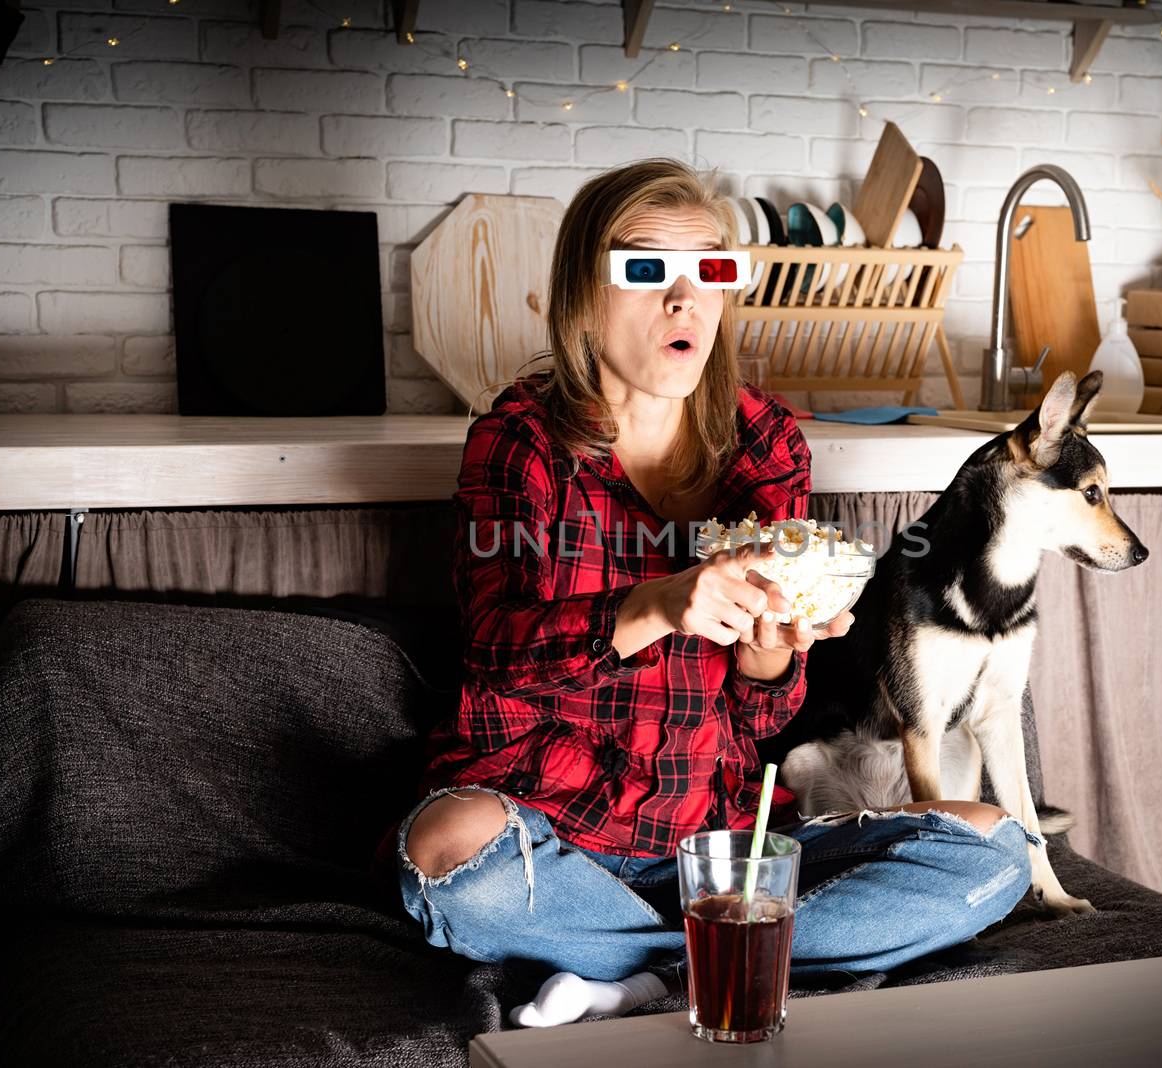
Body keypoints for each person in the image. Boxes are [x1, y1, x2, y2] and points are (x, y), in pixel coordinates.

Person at [384, 158, 1042, 1028]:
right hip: (545, 830)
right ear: (585, 291)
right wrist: (660, 603)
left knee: (993, 849)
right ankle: (729, 959)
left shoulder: (765, 440)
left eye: (712, 270)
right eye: (648, 269)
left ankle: (640, 978)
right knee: (446, 856)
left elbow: (763, 713)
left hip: (715, 845)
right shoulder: (520, 439)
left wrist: (776, 644)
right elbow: (496, 653)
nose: (685, 298)